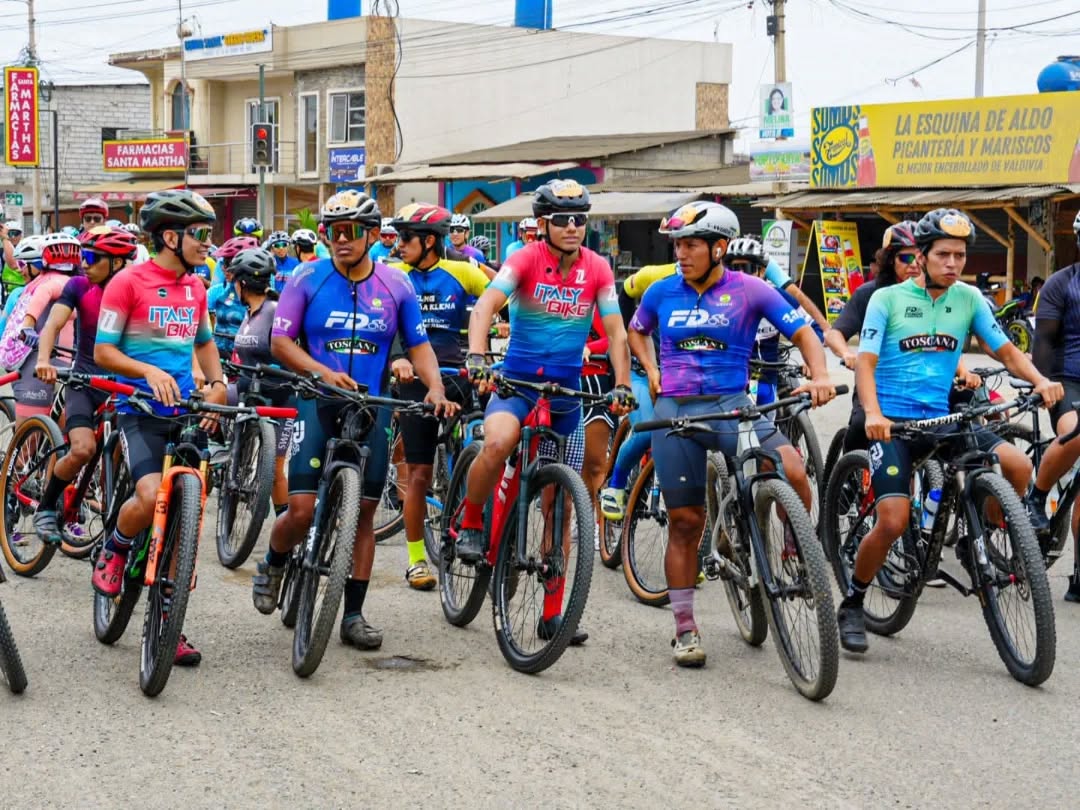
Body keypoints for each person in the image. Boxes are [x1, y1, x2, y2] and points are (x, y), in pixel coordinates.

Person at [838, 208, 1062, 654]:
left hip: (944, 419)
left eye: (960, 255)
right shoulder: (887, 300)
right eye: (944, 254)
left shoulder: (969, 299)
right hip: (895, 424)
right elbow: (866, 362)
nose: (954, 263)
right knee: (893, 520)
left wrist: (1040, 381)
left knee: (1018, 467)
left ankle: (976, 534)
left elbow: (1005, 351)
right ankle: (854, 600)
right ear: (921, 256)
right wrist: (873, 414)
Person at [627, 202, 835, 668]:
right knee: (685, 522)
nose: (681, 254)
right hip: (676, 413)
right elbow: (636, 331)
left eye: (691, 245)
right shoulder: (661, 292)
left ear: (719, 247)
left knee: (792, 467)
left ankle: (795, 550)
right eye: (678, 245)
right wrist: (651, 369)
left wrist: (820, 374)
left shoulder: (751, 289)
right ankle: (685, 627)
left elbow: (804, 333)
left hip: (732, 408)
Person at [255, 190, 456, 651]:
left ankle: (353, 614)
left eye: (349, 231)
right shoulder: (306, 276)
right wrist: (322, 373)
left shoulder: (396, 284)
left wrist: (435, 388)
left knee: (364, 512)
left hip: (372, 406)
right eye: (332, 231)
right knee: (300, 510)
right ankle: (275, 561)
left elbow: (419, 346)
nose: (339, 239)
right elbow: (281, 343)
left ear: (371, 235)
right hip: (317, 399)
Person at [459, 179, 635, 646]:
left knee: (562, 502)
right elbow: (485, 306)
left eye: (580, 219)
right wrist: (477, 355)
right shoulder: (524, 259)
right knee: (498, 442)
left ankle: (553, 614)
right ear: (543, 224)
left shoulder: (598, 267)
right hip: (517, 383)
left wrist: (622, 384)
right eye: (562, 220)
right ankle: (471, 521)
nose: (573, 227)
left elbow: (617, 332)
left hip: (564, 393)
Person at [92, 188, 227, 668]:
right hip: (138, 408)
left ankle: (170, 616)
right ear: (171, 237)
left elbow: (205, 343)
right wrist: (147, 371)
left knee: (186, 513)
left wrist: (217, 384)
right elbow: (104, 351)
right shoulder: (127, 282)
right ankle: (116, 545)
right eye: (199, 234)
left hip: (185, 411)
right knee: (152, 498)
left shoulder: (197, 288)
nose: (207, 242)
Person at [387, 202, 490, 591]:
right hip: (415, 379)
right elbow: (384, 322)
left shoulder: (463, 271)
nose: (398, 244)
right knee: (419, 473)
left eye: (405, 238)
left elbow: (503, 300)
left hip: (460, 375)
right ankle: (416, 560)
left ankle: (477, 523)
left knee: (482, 451)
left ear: (429, 241)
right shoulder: (395, 276)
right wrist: (397, 359)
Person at [32, 225, 138, 543]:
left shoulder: (135, 290)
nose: (84, 264)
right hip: (84, 383)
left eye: (92, 258)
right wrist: (43, 359)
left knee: (125, 458)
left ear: (117, 263)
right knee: (82, 449)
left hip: (122, 388)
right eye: (83, 257)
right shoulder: (78, 286)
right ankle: (46, 508)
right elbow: (53, 324)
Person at [824, 222, 925, 452]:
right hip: (875, 382)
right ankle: (849, 472)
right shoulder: (870, 293)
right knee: (860, 428)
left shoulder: (935, 294)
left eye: (919, 257)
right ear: (890, 260)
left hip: (922, 382)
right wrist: (847, 354)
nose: (913, 265)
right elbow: (835, 333)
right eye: (905, 258)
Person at [1029, 212, 1080, 599]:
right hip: (1066, 382)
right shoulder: (1062, 284)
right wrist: (1042, 384)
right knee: (1079, 435)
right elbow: (1043, 342)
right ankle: (1037, 496)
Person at [227, 247, 293, 517]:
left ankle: (286, 527)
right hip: (249, 390)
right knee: (209, 398)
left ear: (242, 283)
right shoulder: (249, 312)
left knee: (275, 469)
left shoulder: (274, 311)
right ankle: (220, 456)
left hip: (280, 396)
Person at [5, 233, 82, 423]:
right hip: (42, 361)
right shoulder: (58, 282)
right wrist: (28, 325)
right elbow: (44, 294)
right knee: (33, 431)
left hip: (55, 361)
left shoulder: (41, 282)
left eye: (24, 264)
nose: (20, 269)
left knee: (56, 427)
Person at [207, 236, 260, 361]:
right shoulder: (218, 291)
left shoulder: (261, 296)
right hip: (220, 356)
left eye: (228, 264)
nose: (223, 269)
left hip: (248, 359)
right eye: (223, 263)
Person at [1, 218, 25, 303]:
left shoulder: (26, 249)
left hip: (23, 292)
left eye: (16, 233)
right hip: (7, 292)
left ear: (21, 234)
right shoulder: (3, 249)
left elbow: (14, 264)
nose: (13, 237)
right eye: (10, 233)